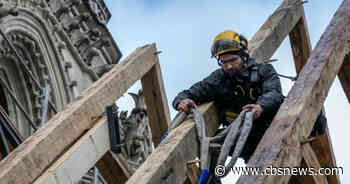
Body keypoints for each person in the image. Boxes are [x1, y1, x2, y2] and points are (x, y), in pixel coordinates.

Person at [172, 30, 326, 183]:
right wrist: (181, 101)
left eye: (233, 60)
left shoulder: (263, 71)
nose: (229, 66)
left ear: (244, 55)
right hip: (247, 140)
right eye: (224, 62)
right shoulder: (218, 79)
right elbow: (192, 92)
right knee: (208, 148)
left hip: (275, 129)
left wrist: (260, 106)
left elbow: (273, 93)